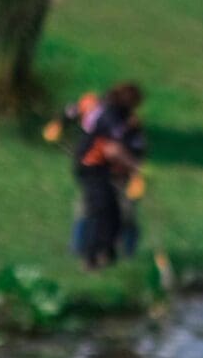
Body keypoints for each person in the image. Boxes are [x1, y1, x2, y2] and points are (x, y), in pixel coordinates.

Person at [58, 82, 146, 269]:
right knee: (99, 212)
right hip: (92, 167)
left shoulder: (115, 114)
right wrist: (136, 166)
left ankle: (106, 255)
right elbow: (112, 149)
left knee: (112, 213)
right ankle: (90, 256)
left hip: (99, 169)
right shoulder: (112, 116)